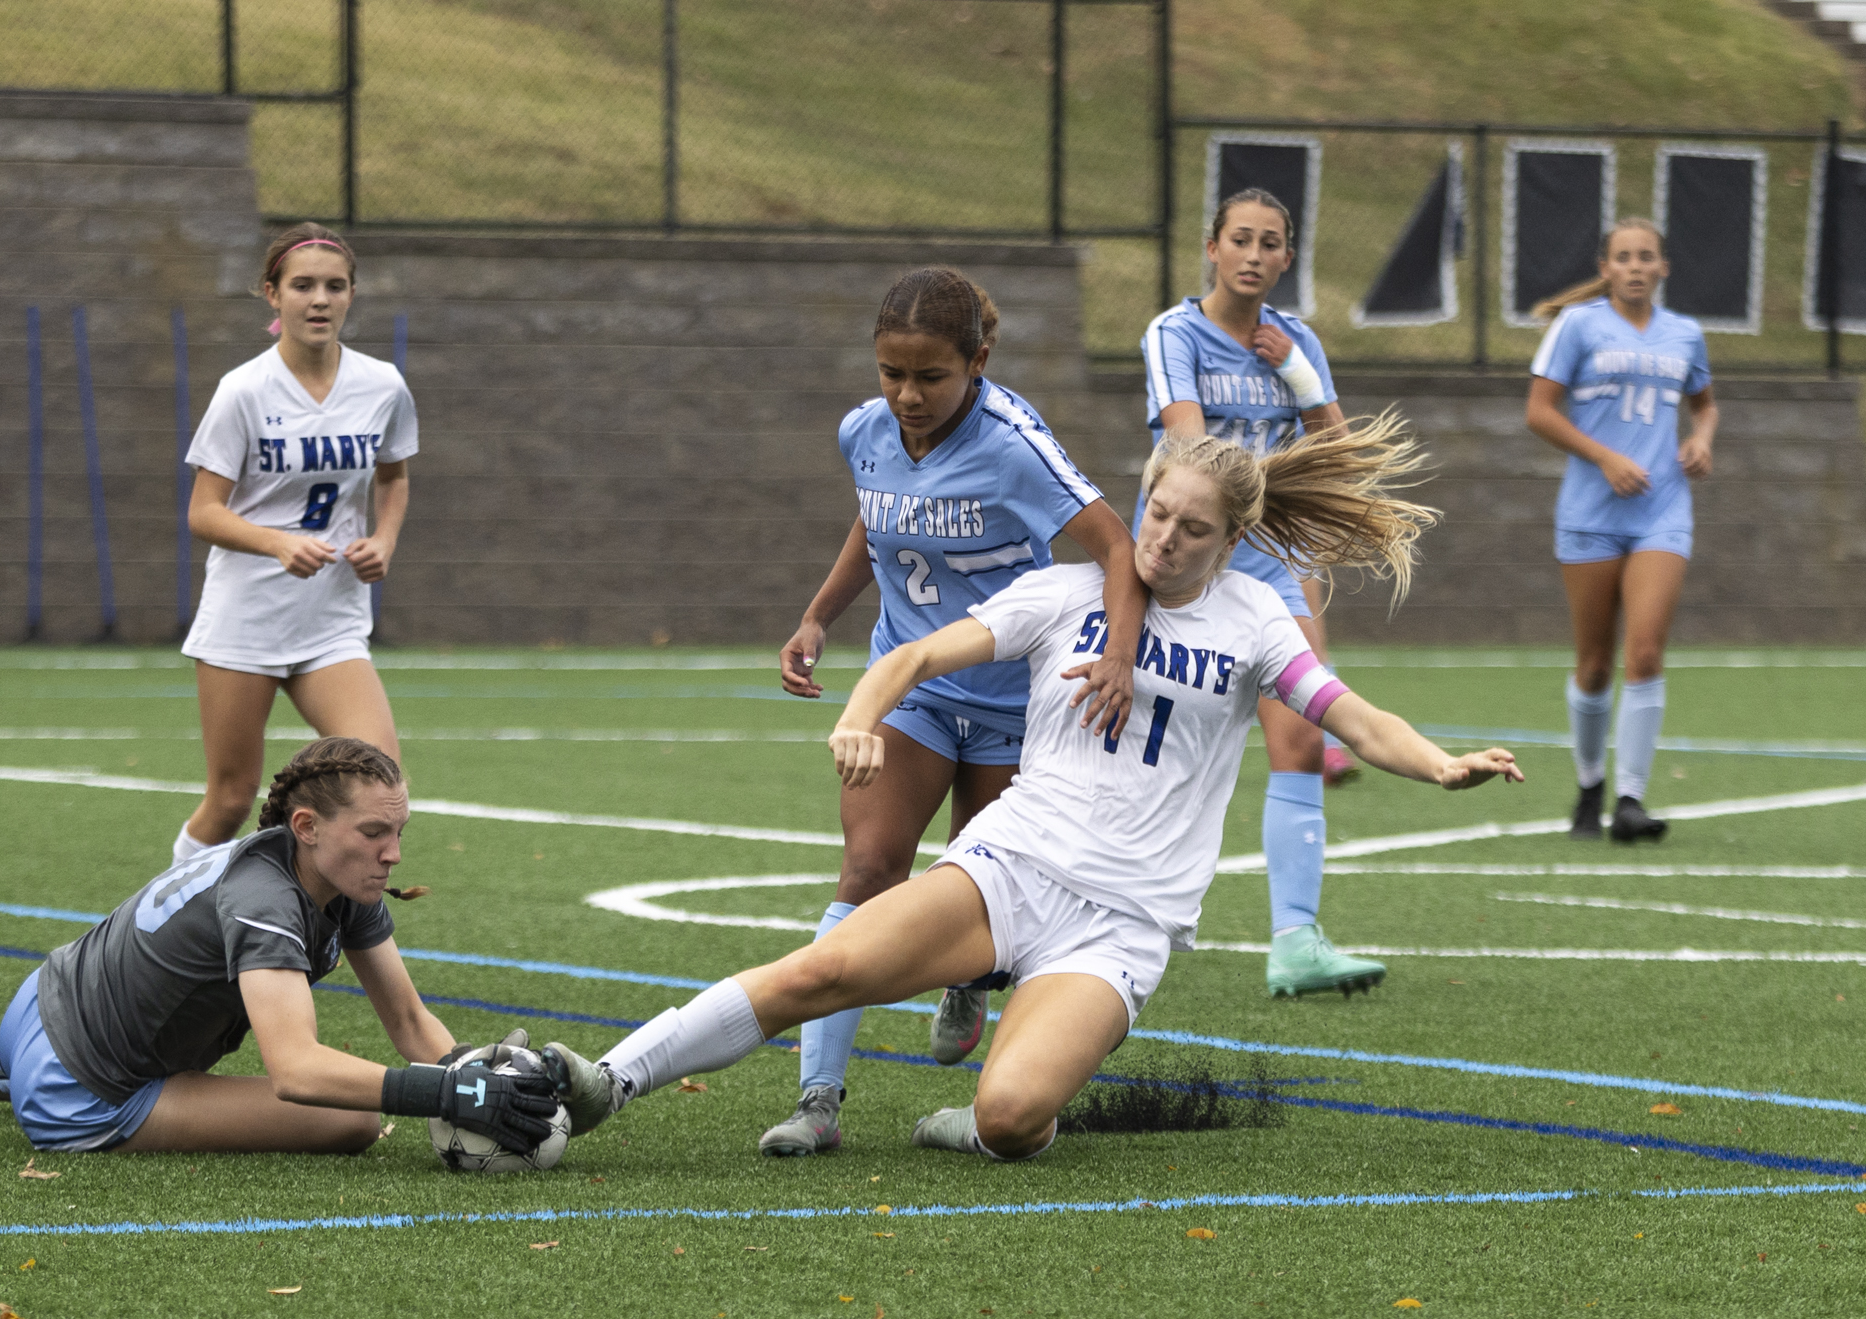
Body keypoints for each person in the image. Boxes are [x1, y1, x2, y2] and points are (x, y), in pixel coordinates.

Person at [536, 420, 1522, 1162]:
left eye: (1193, 529)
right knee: (818, 970)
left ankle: (980, 1115)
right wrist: (856, 714)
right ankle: (606, 1082)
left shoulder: (1254, 618)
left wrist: (1436, 762)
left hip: (1122, 923)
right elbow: (919, 651)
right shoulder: (1063, 593)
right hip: (1009, 866)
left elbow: (1347, 712)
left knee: (1012, 1120)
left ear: (1230, 540)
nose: (1164, 539)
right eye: (1157, 514)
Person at [764, 265, 1147, 1157]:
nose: (907, 395)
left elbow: (1119, 545)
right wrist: (819, 616)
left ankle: (972, 982)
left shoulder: (1015, 443)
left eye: (930, 376)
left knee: (994, 900)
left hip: (1020, 703)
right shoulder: (866, 430)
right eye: (891, 373)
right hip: (919, 690)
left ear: (978, 360)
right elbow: (877, 522)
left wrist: (1118, 659)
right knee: (867, 867)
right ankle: (818, 1101)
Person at [0, 739, 557, 1156]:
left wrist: (476, 1076)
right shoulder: (265, 901)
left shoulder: (333, 873)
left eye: (398, 832)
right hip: (82, 1091)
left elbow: (407, 1019)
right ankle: (29, 1084)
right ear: (306, 826)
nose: (393, 854)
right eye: (374, 833)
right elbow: (296, 1070)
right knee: (352, 1122)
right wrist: (447, 1092)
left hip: (40, 1002)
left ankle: (10, 1072)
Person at [1135, 187, 1376, 998]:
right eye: (1240, 238)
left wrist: (1305, 379)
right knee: (1142, 738)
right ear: (1212, 247)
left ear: (1286, 257)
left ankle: (1295, 939)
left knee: (1303, 737)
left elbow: (1339, 456)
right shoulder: (1174, 333)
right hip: (1182, 555)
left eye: (1270, 243)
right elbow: (1190, 448)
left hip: (1268, 563)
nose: (1253, 254)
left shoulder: (1295, 340)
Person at [171, 222, 418, 867]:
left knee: (380, 786)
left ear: (351, 296)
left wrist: (382, 540)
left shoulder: (382, 385)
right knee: (230, 799)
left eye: (334, 287)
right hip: (245, 618)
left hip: (329, 622)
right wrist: (276, 543)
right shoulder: (244, 390)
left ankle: (332, 920)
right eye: (302, 285)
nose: (319, 299)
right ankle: (160, 925)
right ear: (271, 296)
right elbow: (204, 512)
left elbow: (393, 475)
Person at [1526, 217, 1716, 843]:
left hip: (1662, 510)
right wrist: (1604, 457)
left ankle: (1631, 800)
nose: (1636, 266)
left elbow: (1704, 402)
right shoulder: (1577, 326)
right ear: (1605, 268)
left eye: (1647, 257)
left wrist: (1702, 438)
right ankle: (1589, 787)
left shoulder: (1685, 334)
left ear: (1663, 268)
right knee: (1593, 665)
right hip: (1590, 514)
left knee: (1646, 652)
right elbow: (1539, 411)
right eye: (1623, 257)